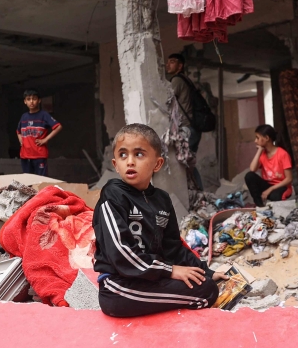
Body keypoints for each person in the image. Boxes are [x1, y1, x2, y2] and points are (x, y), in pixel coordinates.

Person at [93, 124, 229, 318]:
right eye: (123, 155)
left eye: (139, 154)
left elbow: (173, 248)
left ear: (157, 164)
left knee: (205, 283)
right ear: (115, 164)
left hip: (148, 279)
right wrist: (170, 270)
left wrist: (206, 271)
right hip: (119, 287)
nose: (130, 162)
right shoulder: (113, 195)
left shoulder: (162, 200)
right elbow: (121, 253)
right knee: (205, 292)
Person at [165, 52, 204, 190]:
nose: (168, 64)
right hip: (193, 128)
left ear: (180, 66)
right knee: (188, 162)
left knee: (182, 161)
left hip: (187, 128)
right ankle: (197, 192)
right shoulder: (186, 80)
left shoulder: (177, 80)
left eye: (172, 62)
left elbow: (166, 101)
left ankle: (195, 191)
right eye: (168, 61)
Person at [16, 89, 62, 176]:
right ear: (25, 101)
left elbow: (58, 127)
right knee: (27, 182)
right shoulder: (24, 117)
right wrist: (21, 140)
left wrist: (45, 139)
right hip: (25, 155)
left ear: (39, 100)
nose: (31, 101)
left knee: (41, 181)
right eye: (29, 99)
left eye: (34, 99)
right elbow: (18, 131)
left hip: (39, 155)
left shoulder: (44, 115)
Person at [245, 124, 293, 207]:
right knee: (249, 176)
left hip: (280, 186)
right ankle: (259, 205)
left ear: (267, 138)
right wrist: (259, 151)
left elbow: (289, 179)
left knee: (275, 196)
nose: (255, 141)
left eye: (257, 138)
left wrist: (270, 189)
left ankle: (270, 198)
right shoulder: (263, 154)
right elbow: (252, 169)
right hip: (267, 185)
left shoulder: (282, 154)